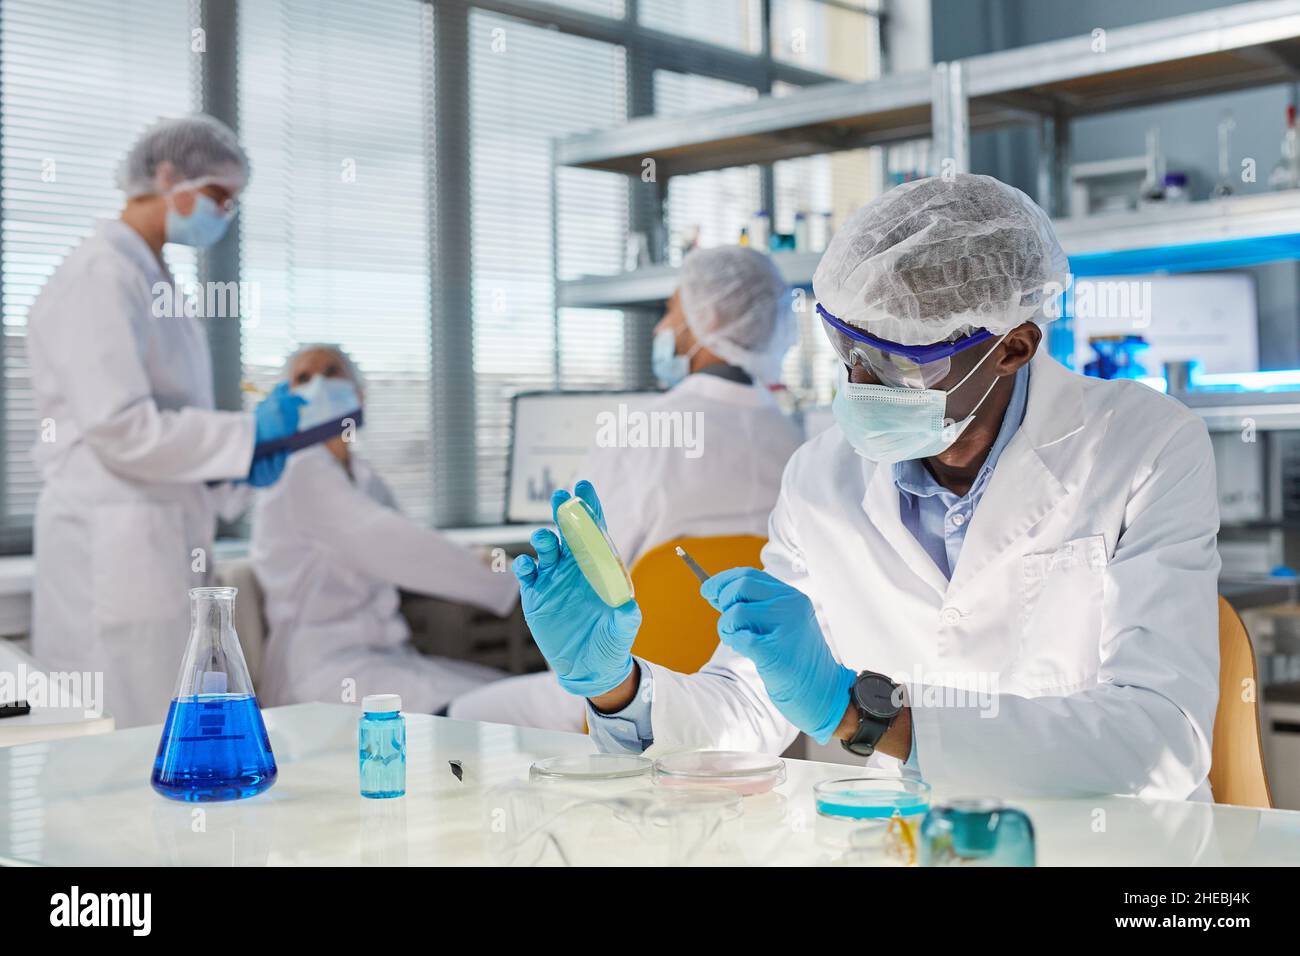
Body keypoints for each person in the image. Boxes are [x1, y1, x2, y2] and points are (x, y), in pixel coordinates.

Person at [513, 173, 1221, 801]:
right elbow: (749, 709)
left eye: (895, 360)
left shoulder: (1145, 446)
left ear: (1014, 346)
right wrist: (617, 687)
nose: (857, 382)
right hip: (894, 844)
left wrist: (865, 717)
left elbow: (1160, 739)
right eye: (846, 346)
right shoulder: (821, 478)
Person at [449, 246, 804, 731]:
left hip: (632, 690)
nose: (662, 328)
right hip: (763, 700)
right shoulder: (794, 439)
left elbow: (587, 579)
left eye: (670, 309)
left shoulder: (643, 434)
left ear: (711, 317)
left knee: (462, 713)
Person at [28, 115, 303, 729]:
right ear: (167, 175)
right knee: (113, 740)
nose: (226, 214)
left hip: (156, 538)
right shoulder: (100, 275)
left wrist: (238, 470)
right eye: (219, 196)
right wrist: (245, 436)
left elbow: (172, 431)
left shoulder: (153, 279)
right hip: (111, 543)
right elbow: (120, 428)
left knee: (161, 733)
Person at [251, 344, 517, 713]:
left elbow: (405, 534)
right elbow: (392, 544)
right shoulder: (299, 471)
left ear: (359, 393)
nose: (319, 386)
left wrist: (479, 559)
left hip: (384, 657)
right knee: (500, 710)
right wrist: (511, 577)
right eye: (304, 378)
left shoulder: (363, 476)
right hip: (324, 669)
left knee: (505, 693)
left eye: (331, 373)